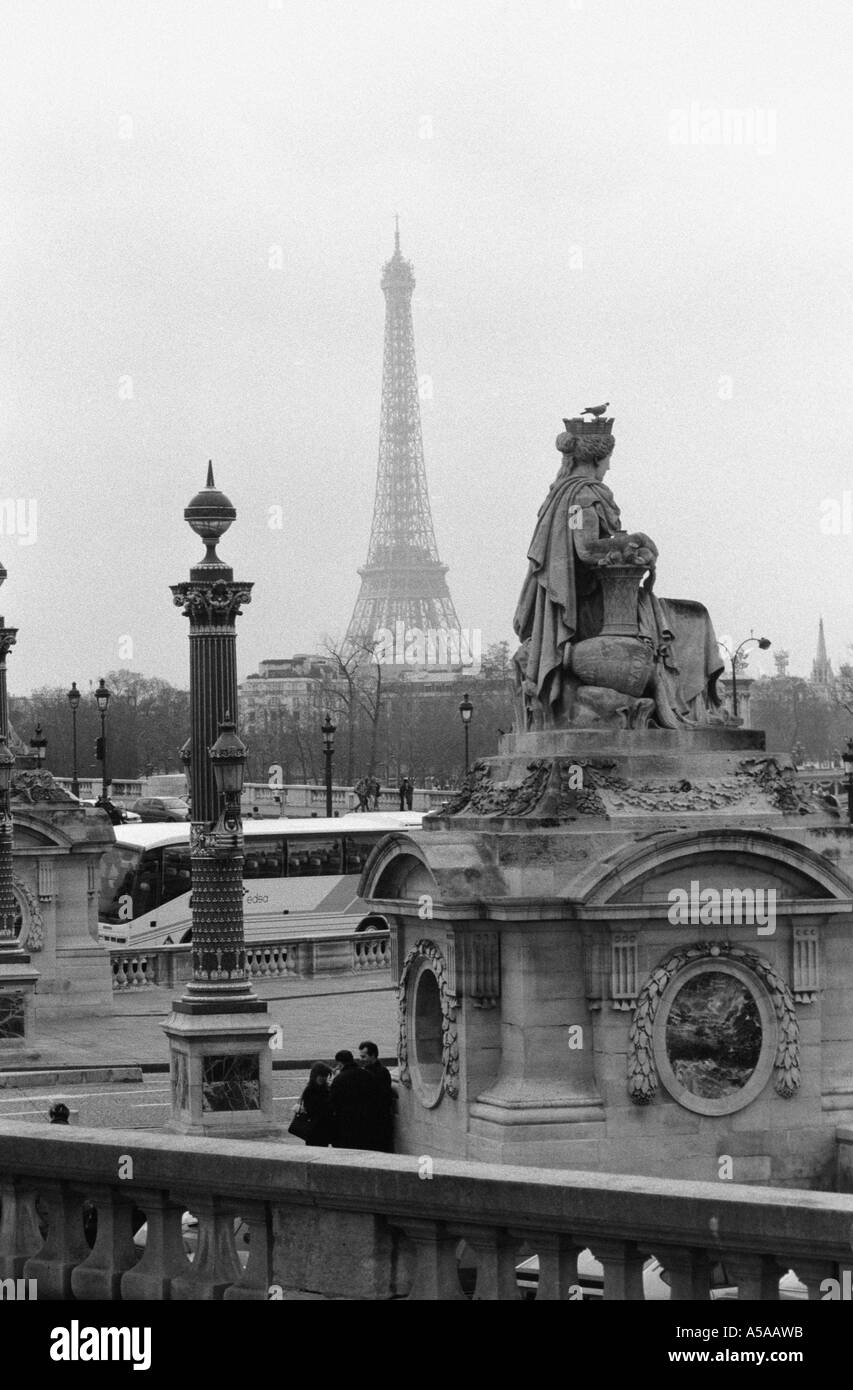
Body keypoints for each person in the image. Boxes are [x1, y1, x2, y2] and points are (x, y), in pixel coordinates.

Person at [513, 416, 725, 730]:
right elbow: (585, 548)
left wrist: (624, 544)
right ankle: (695, 709)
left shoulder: (564, 495)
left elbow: (580, 546)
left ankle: (696, 707)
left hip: (586, 602)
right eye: (609, 459)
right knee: (696, 617)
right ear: (598, 457)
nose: (609, 467)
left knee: (688, 616)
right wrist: (633, 540)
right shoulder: (584, 496)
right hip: (595, 608)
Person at [329, 1049, 385, 1151]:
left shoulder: (339, 1079)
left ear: (340, 1064)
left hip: (346, 1124)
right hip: (366, 1122)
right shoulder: (367, 1074)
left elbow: (333, 1102)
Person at [358, 1040, 395, 1153]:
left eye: (363, 1056)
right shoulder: (383, 1071)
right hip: (381, 1118)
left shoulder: (369, 1073)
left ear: (373, 1055)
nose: (361, 1059)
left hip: (374, 1119)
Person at [294, 1062, 333, 1147]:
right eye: (321, 1075)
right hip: (314, 1127)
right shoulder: (310, 1090)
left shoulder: (326, 1089)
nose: (323, 1078)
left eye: (325, 1076)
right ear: (315, 1075)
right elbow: (311, 1109)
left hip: (322, 1127)